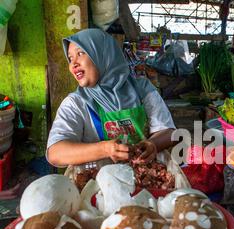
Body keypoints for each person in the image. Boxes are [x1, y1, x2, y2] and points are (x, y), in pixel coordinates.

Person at [47, 29, 176, 167]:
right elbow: (55, 153)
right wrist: (104, 149)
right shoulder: (76, 103)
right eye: (70, 58)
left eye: (80, 53)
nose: (73, 64)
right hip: (98, 183)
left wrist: (153, 144)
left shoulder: (142, 89)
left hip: (143, 174)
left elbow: (169, 132)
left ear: (103, 54)